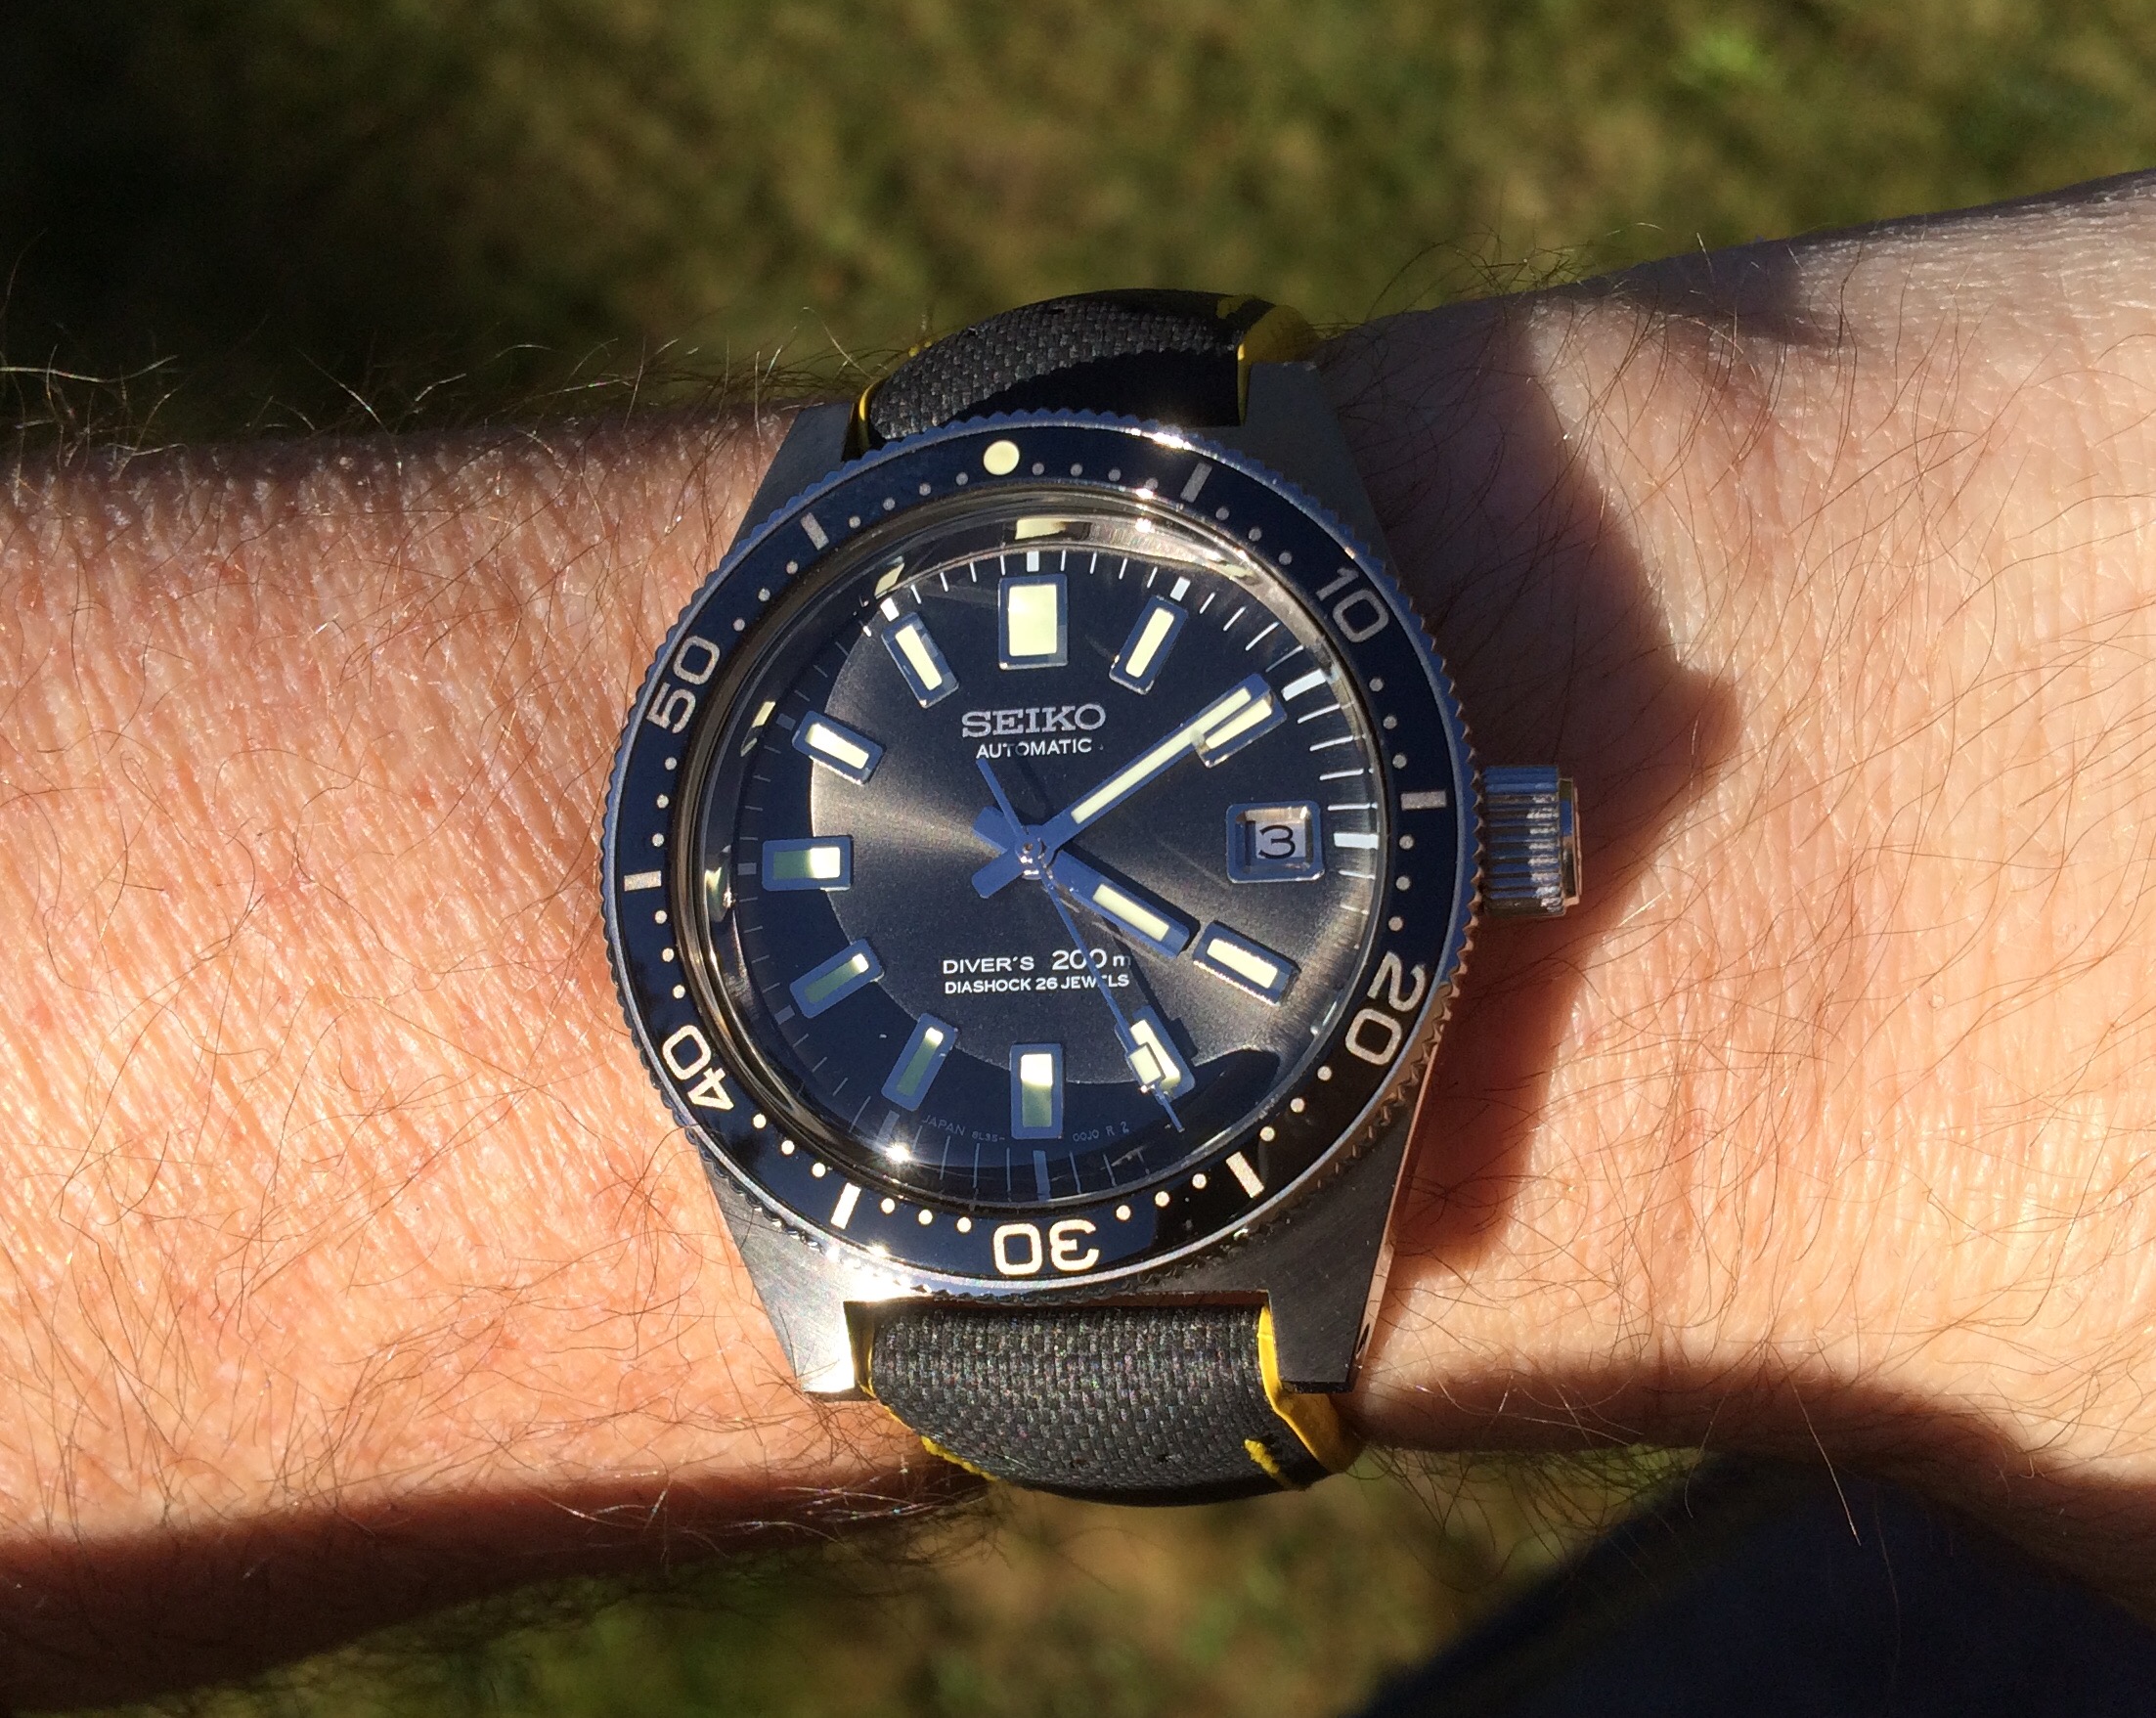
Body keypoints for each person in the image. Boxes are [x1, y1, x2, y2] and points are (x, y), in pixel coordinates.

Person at [7, 172, 2156, 1706]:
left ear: (1484, 842)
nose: (1022, 842)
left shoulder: (1277, 812)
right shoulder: (829, 1185)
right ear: (1489, 843)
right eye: (1003, 828)